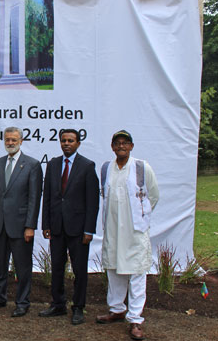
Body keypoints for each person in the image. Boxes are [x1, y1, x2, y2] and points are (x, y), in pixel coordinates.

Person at [96, 130, 159, 341]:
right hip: (113, 229)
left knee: (137, 273)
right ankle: (116, 309)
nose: (121, 146)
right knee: (114, 269)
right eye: (117, 143)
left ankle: (135, 318)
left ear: (131, 146)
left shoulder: (141, 167)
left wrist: (141, 218)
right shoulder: (107, 168)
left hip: (134, 232)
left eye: (125, 143)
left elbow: (153, 195)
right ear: (112, 147)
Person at [39, 129, 100, 325]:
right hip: (56, 227)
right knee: (56, 268)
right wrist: (46, 224)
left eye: (71, 141)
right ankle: (58, 304)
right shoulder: (53, 164)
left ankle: (78, 307)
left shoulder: (87, 166)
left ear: (78, 144)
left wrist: (89, 230)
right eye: (64, 140)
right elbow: (47, 196)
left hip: (78, 229)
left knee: (80, 270)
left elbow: (93, 202)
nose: (66, 143)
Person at [0, 127, 43, 317]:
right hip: (0, 224)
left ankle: (22, 302)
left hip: (20, 226)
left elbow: (34, 198)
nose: (10, 143)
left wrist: (30, 226)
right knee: (1, 264)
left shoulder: (32, 165)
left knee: (22, 266)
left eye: (14, 139)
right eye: (7, 139)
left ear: (21, 141)